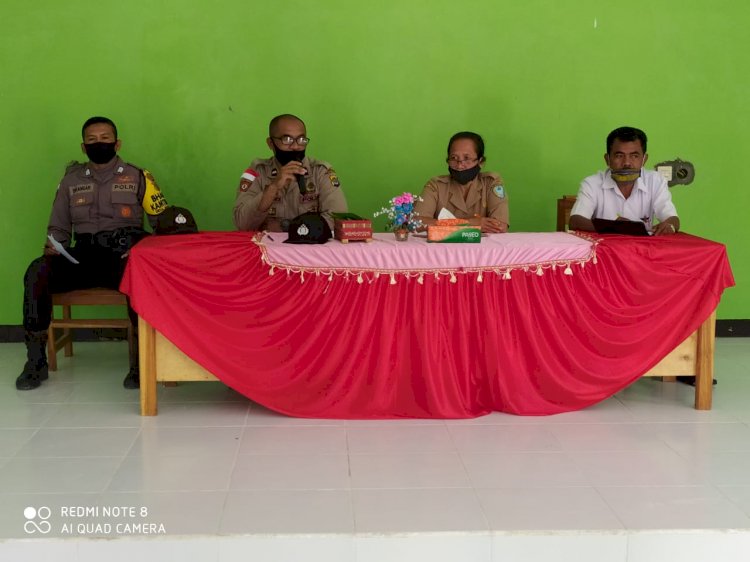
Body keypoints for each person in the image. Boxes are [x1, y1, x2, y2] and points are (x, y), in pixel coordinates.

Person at [16, 116, 168, 391]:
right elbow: (59, 226)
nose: (100, 144)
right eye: (92, 140)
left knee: (142, 275)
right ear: (84, 147)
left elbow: (162, 223)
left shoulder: (138, 177)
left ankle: (139, 363)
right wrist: (54, 245)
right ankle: (35, 361)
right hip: (82, 256)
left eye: (105, 139)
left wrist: (146, 251)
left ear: (117, 143)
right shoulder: (70, 181)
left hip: (122, 256)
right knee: (37, 272)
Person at [233, 114, 347, 232]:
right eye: (287, 140)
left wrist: (293, 229)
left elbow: (338, 219)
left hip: (310, 247)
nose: (295, 146)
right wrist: (273, 187)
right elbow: (242, 224)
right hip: (269, 248)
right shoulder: (257, 171)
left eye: (301, 140)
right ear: (270, 143)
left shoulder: (320, 171)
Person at [568, 126, 679, 235]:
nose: (627, 163)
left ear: (644, 159)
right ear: (607, 159)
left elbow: (672, 219)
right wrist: (615, 227)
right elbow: (575, 221)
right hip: (605, 250)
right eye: (619, 155)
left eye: (634, 156)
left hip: (643, 250)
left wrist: (669, 226)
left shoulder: (655, 181)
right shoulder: (592, 184)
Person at [414, 131, 508, 233]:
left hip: (482, 248)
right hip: (443, 248)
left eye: (466, 158)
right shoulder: (435, 185)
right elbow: (417, 223)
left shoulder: (491, 183)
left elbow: (501, 226)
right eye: (454, 158)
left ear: (480, 162)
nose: (459, 166)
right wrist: (471, 223)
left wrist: (443, 225)